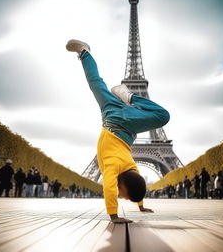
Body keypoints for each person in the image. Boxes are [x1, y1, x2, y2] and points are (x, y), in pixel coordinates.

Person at [66, 39, 170, 223]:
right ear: (121, 184)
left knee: (163, 116)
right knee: (95, 83)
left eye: (124, 199)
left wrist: (140, 205)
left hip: (116, 117)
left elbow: (136, 183)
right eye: (125, 196)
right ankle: (127, 95)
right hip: (119, 120)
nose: (122, 198)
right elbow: (109, 188)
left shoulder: (131, 167)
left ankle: (85, 52)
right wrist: (114, 216)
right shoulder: (114, 166)